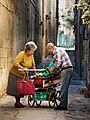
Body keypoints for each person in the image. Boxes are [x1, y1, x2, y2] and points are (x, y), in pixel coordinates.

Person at [7, 41, 37, 108]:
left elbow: (33, 65)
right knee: (17, 89)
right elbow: (16, 63)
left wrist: (35, 73)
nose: (33, 52)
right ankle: (17, 103)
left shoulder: (31, 55)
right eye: (32, 51)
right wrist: (23, 68)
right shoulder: (22, 54)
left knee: (22, 88)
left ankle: (18, 102)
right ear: (28, 50)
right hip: (16, 73)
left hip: (23, 74)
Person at [46, 43, 73, 110]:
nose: (48, 52)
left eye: (48, 50)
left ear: (50, 48)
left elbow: (58, 63)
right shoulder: (58, 50)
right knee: (64, 87)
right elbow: (55, 63)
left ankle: (63, 105)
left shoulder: (57, 51)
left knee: (64, 88)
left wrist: (52, 69)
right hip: (66, 69)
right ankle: (62, 101)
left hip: (66, 70)